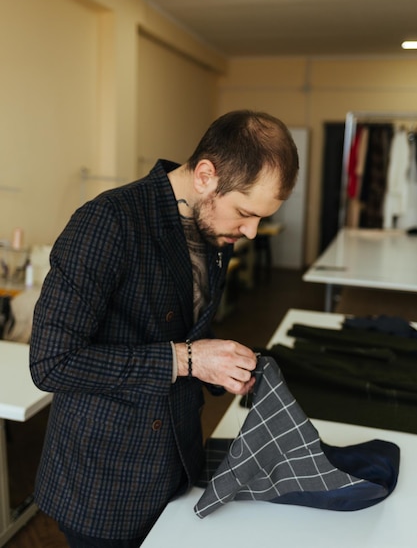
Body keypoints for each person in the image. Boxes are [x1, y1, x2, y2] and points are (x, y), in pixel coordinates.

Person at [29, 109, 299, 547]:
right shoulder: (108, 222)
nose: (252, 232)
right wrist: (188, 359)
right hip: (103, 486)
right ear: (206, 175)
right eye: (245, 213)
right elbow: (51, 362)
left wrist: (222, 366)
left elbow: (183, 330)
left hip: (177, 465)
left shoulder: (211, 226)